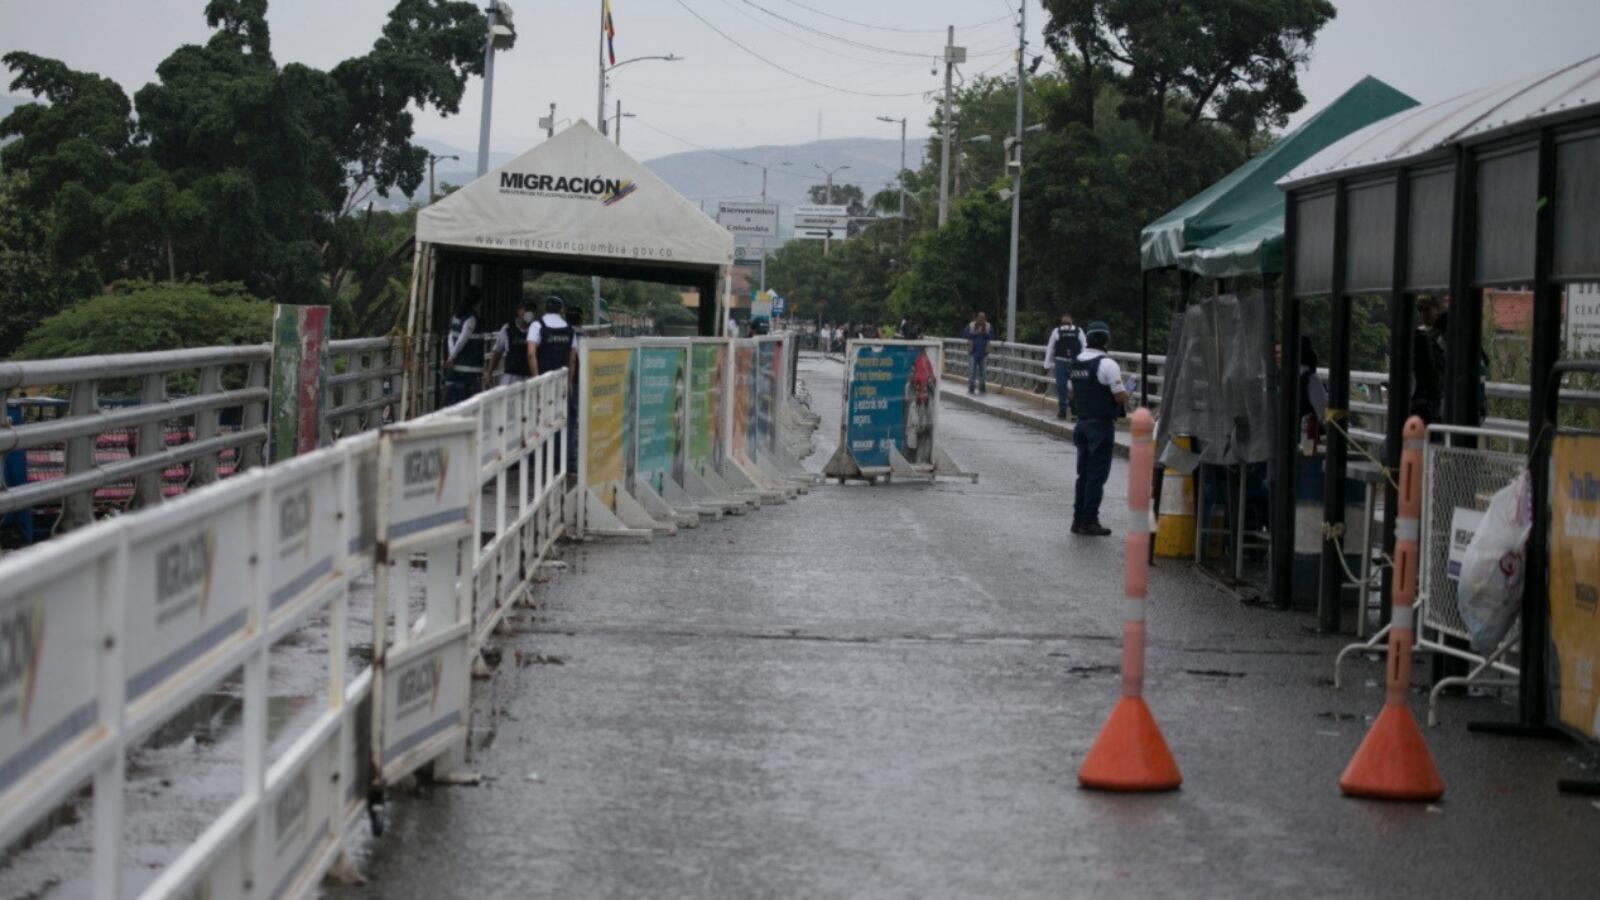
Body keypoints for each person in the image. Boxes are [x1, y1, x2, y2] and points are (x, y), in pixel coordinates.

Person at [1067, 321, 1128, 536]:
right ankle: (1089, 520)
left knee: (1083, 474)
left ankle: (1077, 519)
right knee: (1096, 476)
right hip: (1100, 427)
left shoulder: (1076, 363)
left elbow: (1071, 395)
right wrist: (1129, 390)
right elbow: (1119, 397)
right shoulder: (1108, 364)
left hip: (1081, 424)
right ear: (1105, 341)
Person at [1043, 312, 1087, 420]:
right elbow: (1084, 346)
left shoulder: (1057, 331)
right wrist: (1085, 361)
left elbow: (1051, 348)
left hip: (1061, 362)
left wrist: (1047, 363)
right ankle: (1075, 410)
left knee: (1061, 386)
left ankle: (1063, 409)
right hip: (1075, 362)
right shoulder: (1078, 331)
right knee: (1076, 385)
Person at [443, 290, 484, 406]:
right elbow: (463, 339)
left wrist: (451, 355)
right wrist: (452, 356)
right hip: (470, 369)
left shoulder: (456, 315)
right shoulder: (471, 318)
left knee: (453, 398)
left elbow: (451, 336)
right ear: (477, 302)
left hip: (455, 367)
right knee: (468, 402)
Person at [487, 299, 535, 387]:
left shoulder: (536, 328)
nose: (528, 313)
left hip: (530, 377)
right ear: (518, 311)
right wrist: (489, 372)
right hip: (511, 376)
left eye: (531, 310)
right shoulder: (508, 329)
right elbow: (497, 351)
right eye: (526, 309)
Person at [962, 312, 993, 394]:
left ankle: (982, 387)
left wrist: (984, 333)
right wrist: (975, 333)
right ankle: (971, 387)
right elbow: (965, 335)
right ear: (977, 318)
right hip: (973, 352)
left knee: (983, 372)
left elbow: (991, 337)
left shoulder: (988, 326)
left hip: (984, 352)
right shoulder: (971, 325)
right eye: (980, 318)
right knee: (972, 371)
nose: (982, 320)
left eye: (983, 318)